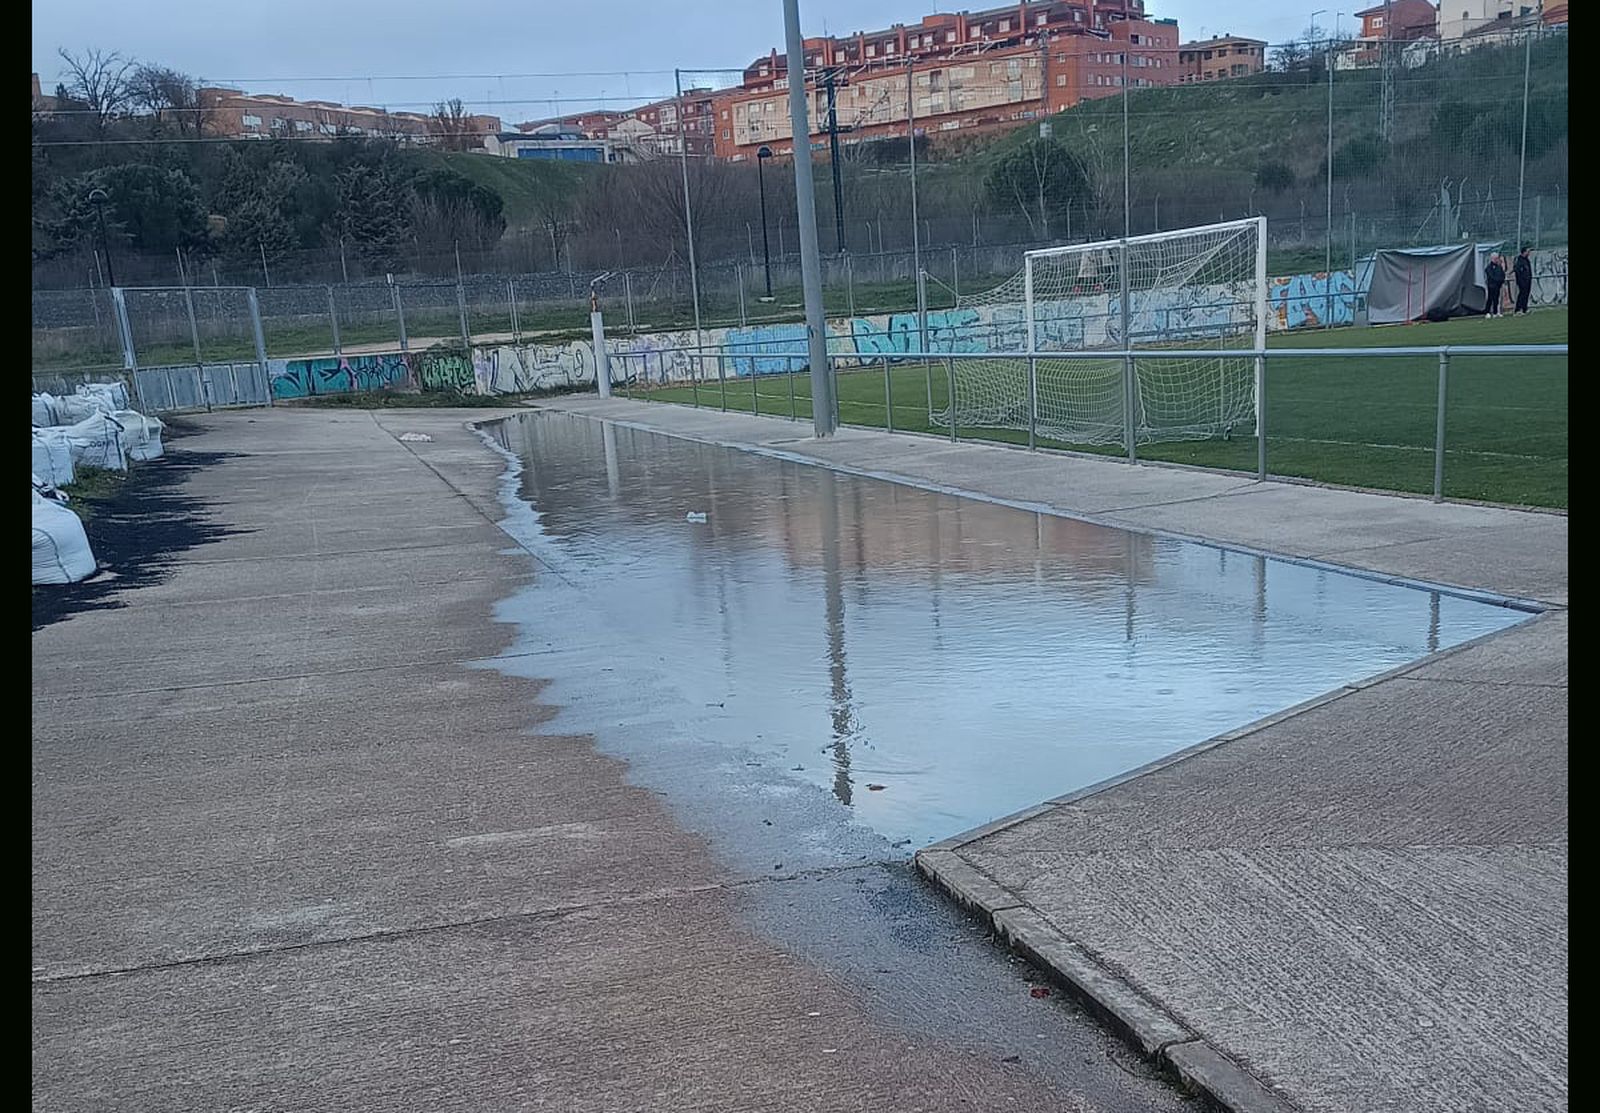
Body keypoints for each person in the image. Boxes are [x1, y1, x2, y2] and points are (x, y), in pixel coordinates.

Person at [1513, 246, 1534, 315]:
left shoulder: (1526, 260)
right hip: (1522, 281)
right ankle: (1518, 309)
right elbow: (1518, 271)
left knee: (1526, 295)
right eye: (1528, 251)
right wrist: (1521, 281)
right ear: (1524, 252)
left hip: (1528, 280)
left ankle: (1524, 308)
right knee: (1521, 295)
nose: (1529, 253)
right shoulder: (1519, 260)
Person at [1484, 253, 1506, 318]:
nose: (1497, 260)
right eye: (1496, 258)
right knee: (1490, 299)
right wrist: (1497, 280)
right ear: (1492, 258)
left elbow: (1502, 274)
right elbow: (1491, 276)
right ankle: (1487, 312)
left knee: (1496, 299)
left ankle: (1495, 312)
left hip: (1498, 285)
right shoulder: (1489, 267)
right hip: (1491, 285)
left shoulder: (1499, 267)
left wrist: (1501, 280)